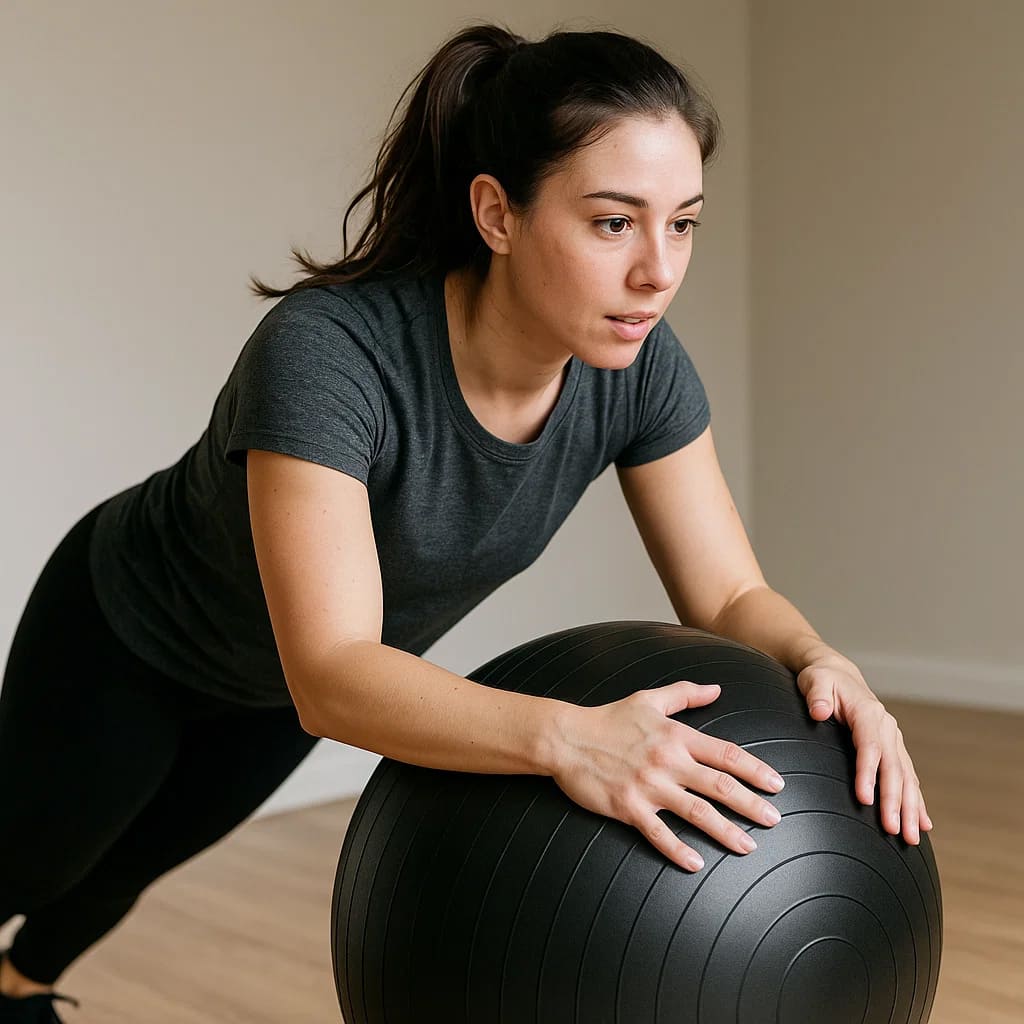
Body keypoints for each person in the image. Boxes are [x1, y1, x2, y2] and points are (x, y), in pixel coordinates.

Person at [0, 22, 932, 1022]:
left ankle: (19, 987)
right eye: (613, 223)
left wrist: (820, 658)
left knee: (125, 868)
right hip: (133, 634)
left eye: (683, 224)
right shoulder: (329, 353)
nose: (658, 271)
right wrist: (571, 739)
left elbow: (730, 592)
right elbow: (335, 669)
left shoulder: (639, 369)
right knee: (34, 862)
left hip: (269, 688)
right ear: (497, 212)